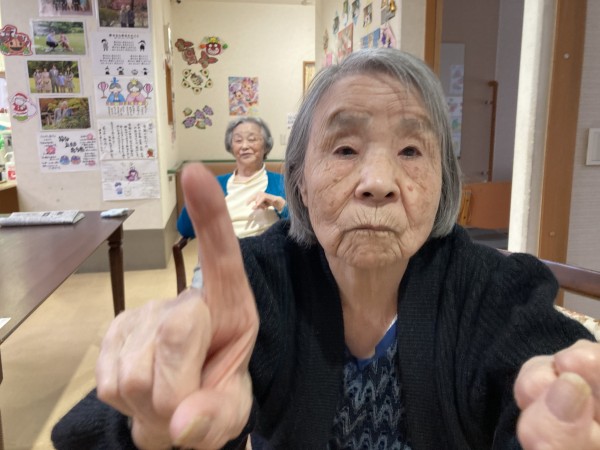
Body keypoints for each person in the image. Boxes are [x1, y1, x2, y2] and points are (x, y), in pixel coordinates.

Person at [52, 48, 600, 449]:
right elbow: (86, 433)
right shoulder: (256, 282)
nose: (378, 182)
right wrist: (156, 417)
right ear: (299, 179)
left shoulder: (495, 289)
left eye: (412, 150)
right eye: (344, 149)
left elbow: (553, 391)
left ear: (443, 184)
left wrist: (564, 415)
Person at [177, 116, 287, 288]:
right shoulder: (215, 184)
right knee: (200, 296)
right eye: (238, 140)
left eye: (252, 139)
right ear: (231, 147)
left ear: (266, 145)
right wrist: (193, 200)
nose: (244, 146)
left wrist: (280, 204)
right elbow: (185, 229)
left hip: (263, 259)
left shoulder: (281, 183)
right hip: (219, 259)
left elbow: (301, 227)